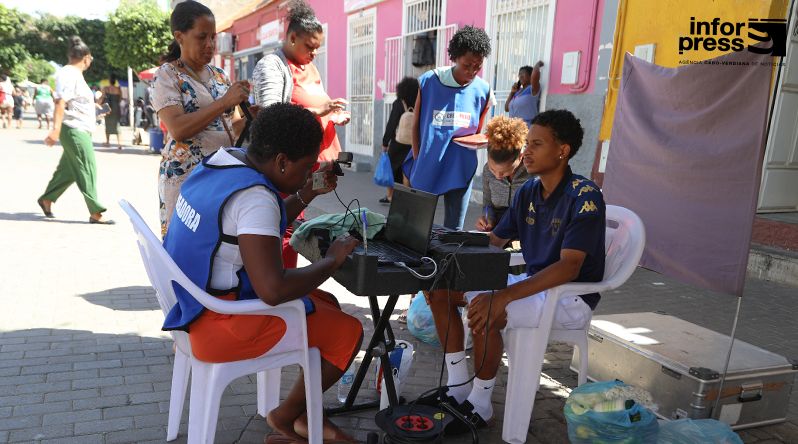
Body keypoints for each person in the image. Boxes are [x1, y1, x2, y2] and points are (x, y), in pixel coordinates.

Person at [163, 102, 362, 443]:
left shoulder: (221, 161)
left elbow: (255, 224)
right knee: (348, 331)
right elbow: (272, 290)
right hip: (219, 326)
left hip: (189, 306)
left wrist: (307, 190)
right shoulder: (256, 197)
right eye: (305, 167)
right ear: (282, 161)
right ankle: (286, 417)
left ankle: (298, 414)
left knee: (325, 301)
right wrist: (331, 260)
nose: (307, 172)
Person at [422, 110, 606, 432]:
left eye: (537, 144)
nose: (527, 152)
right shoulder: (528, 192)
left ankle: (480, 404)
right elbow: (494, 241)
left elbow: (569, 267)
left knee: (487, 305)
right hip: (532, 284)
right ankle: (457, 387)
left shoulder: (584, 195)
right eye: (528, 143)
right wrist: (446, 259)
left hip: (569, 297)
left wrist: (504, 295)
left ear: (562, 150)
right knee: (440, 291)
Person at [252, 0, 350, 268]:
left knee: (293, 225)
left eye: (318, 48)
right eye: (310, 46)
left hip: (303, 169)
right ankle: (279, 284)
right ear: (292, 37)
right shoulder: (272, 66)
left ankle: (285, 282)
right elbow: (272, 119)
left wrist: (332, 114)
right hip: (283, 169)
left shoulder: (308, 67)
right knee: (281, 226)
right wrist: (319, 111)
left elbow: (313, 101)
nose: (314, 53)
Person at [153, 0, 252, 236]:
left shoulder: (219, 76)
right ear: (180, 36)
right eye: (202, 37)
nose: (210, 45)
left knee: (215, 245)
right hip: (187, 178)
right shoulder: (167, 75)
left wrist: (250, 117)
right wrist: (224, 103)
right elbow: (177, 128)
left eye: (213, 38)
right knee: (185, 243)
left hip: (221, 176)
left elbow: (233, 128)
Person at [407, 25, 494, 230]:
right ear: (454, 57)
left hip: (460, 166)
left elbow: (478, 131)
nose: (472, 71)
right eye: (467, 65)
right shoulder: (429, 81)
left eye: (477, 66)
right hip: (428, 163)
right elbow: (416, 124)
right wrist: (418, 157)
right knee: (418, 226)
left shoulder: (483, 90)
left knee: (454, 230)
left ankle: (448, 262)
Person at [38, 36, 114, 225]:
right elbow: (60, 101)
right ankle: (96, 212)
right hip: (74, 129)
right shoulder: (68, 73)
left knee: (69, 171)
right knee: (87, 168)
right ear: (86, 57)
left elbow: (76, 104)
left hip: (79, 128)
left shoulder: (74, 75)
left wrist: (96, 110)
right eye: (91, 59)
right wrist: (55, 130)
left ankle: (47, 199)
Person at [475, 115, 533, 234]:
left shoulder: (534, 174)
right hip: (497, 231)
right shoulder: (487, 171)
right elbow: (488, 204)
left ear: (520, 157)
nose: (497, 176)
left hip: (526, 232)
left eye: (504, 171)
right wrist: (487, 218)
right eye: (492, 169)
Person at [379, 77, 419, 204]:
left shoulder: (399, 103)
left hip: (399, 142)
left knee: (392, 169)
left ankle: (390, 196)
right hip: (413, 143)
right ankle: (407, 197)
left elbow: (392, 123)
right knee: (407, 170)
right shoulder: (420, 101)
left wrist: (385, 142)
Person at [505, 62, 543, 127]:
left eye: (523, 73)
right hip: (514, 129)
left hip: (527, 129)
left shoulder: (532, 89)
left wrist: (537, 65)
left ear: (530, 75)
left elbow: (535, 75)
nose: (520, 76)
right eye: (519, 74)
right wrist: (512, 92)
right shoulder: (517, 92)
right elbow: (506, 108)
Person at [102, 74, 122, 149]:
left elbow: (103, 97)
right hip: (116, 107)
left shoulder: (106, 88)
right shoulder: (118, 89)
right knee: (117, 125)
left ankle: (108, 141)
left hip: (108, 108)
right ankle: (119, 143)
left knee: (107, 124)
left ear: (109, 81)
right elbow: (120, 98)